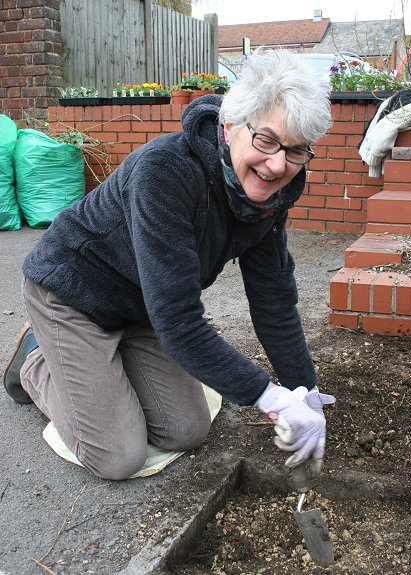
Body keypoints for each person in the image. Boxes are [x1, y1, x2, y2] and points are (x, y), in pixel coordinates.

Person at [4, 49, 335, 480]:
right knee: (118, 456)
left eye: (295, 151)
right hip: (72, 295)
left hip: (141, 306)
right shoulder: (166, 172)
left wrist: (303, 388)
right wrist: (269, 397)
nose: (277, 164)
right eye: (266, 140)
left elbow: (273, 300)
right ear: (231, 126)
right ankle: (34, 359)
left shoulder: (267, 199)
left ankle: (103, 362)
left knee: (187, 430)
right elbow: (179, 322)